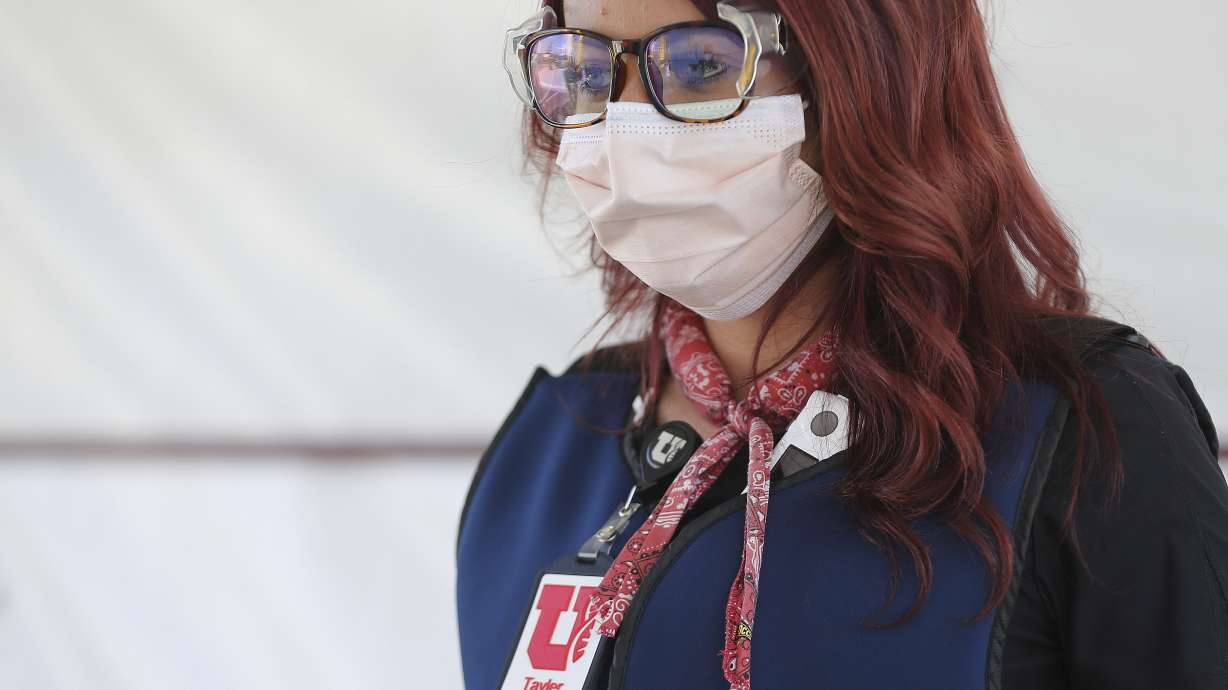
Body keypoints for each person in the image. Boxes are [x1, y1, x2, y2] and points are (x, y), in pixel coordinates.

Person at [456, 1, 1228, 689]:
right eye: (584, 69)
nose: (623, 127)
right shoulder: (549, 446)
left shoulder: (1084, 428)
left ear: (865, 72)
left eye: (699, 65)